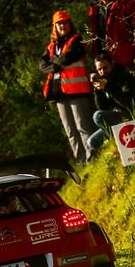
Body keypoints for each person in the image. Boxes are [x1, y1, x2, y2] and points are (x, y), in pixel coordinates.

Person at [39, 10, 95, 164]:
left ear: (70, 24)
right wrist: (57, 65)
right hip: (58, 92)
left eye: (65, 22)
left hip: (77, 90)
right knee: (70, 130)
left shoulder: (78, 40)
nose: (62, 26)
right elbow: (42, 65)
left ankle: (93, 158)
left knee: (83, 126)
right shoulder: (51, 46)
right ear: (54, 27)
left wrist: (54, 61)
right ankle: (81, 161)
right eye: (59, 24)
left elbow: (69, 57)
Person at [86, 52, 135, 154]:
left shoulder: (123, 76)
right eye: (99, 70)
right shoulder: (103, 80)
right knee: (92, 142)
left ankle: (119, 142)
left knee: (97, 116)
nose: (102, 72)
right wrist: (97, 90)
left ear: (112, 64)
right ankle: (112, 155)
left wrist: (108, 88)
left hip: (132, 114)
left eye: (105, 68)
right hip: (116, 118)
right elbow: (102, 108)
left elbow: (129, 103)